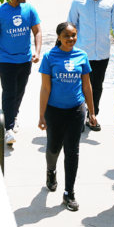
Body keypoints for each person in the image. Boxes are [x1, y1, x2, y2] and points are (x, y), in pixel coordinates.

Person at [38, 21, 96, 211]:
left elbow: (87, 86)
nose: (71, 38)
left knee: (72, 151)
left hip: (76, 111)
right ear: (58, 37)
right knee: (54, 148)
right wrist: (41, 115)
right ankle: (51, 170)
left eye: (73, 35)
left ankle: (69, 193)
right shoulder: (49, 57)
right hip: (54, 111)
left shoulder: (82, 56)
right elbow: (45, 88)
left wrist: (92, 112)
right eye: (66, 36)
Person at [0, 0, 42, 144]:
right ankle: (8, 128)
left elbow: (37, 31)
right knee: (9, 93)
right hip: (6, 60)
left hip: (25, 60)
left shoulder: (29, 10)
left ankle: (13, 116)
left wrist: (37, 52)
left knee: (19, 91)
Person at [66, 0, 114, 131]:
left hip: (102, 53)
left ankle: (92, 116)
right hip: (81, 53)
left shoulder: (111, 2)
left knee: (97, 86)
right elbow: (70, 25)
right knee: (79, 85)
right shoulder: (78, 2)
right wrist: (67, 49)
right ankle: (77, 117)